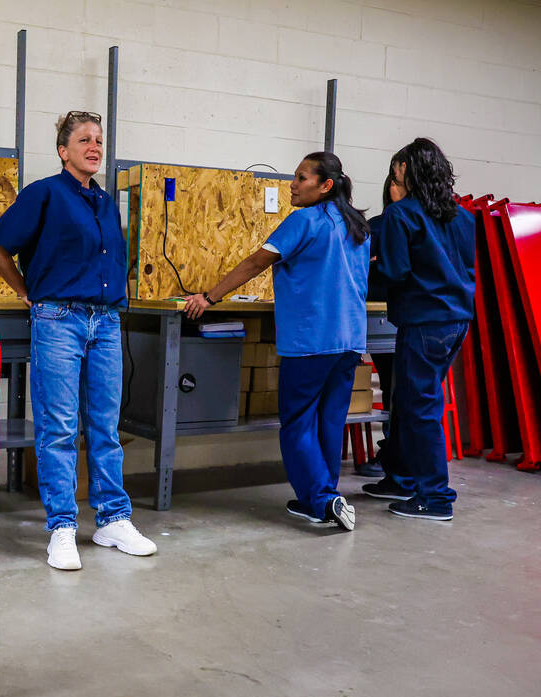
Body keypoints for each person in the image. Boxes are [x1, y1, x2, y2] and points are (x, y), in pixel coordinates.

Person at [0, 110, 155, 571]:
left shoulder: (104, 202)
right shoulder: (44, 194)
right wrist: (25, 292)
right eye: (83, 140)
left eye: (98, 140)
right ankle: (61, 526)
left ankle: (112, 519)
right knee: (58, 426)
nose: (94, 147)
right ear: (63, 150)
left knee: (105, 426)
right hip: (58, 318)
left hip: (106, 322)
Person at [185, 152, 369, 531]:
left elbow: (256, 262)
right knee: (329, 421)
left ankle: (323, 500)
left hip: (312, 340)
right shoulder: (356, 226)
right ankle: (318, 496)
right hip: (350, 339)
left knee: (298, 422)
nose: (293, 184)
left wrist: (210, 296)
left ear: (325, 185)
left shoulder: (303, 220)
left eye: (302, 178)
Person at [362, 138, 475, 521]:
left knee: (420, 408)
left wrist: (368, 264)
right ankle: (405, 480)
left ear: (407, 171)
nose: (394, 175)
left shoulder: (400, 215)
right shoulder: (462, 217)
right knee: (416, 404)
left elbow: (395, 272)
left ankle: (435, 497)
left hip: (424, 321)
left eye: (397, 169)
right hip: (456, 320)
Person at [357, 172, 409, 479]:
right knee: (394, 387)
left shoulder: (419, 226)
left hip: (405, 314)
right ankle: (392, 456)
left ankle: (397, 459)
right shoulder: (376, 226)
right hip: (377, 311)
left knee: (402, 390)